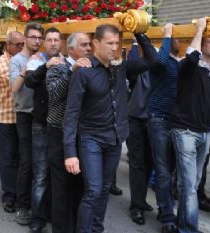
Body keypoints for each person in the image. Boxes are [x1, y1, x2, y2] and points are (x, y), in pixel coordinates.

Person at [63, 24, 157, 233]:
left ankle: (97, 229)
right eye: (110, 43)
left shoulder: (121, 66)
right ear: (96, 43)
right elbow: (71, 113)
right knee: (94, 190)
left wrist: (138, 31)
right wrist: (70, 152)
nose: (115, 47)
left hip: (115, 139)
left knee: (105, 189)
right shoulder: (83, 71)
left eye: (117, 43)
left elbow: (152, 59)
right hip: (91, 140)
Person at [170, 17, 210, 233]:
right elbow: (192, 56)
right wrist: (199, 30)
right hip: (184, 131)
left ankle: (180, 224)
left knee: (191, 184)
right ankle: (188, 229)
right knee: (189, 186)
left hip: (205, 134)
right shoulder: (189, 67)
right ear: (201, 44)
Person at [45, 32, 91, 233]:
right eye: (84, 45)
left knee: (81, 185)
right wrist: (72, 70)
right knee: (61, 186)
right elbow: (54, 94)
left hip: (84, 134)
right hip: (59, 132)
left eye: (90, 44)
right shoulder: (58, 66)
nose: (88, 48)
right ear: (71, 49)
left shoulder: (92, 67)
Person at [24, 27, 63, 233]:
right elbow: (30, 82)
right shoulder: (36, 61)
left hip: (61, 127)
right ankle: (37, 218)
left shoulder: (68, 62)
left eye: (57, 40)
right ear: (44, 43)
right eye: (49, 40)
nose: (53, 43)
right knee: (40, 173)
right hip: (41, 124)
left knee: (58, 174)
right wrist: (47, 66)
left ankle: (54, 214)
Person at [0, 31, 25, 214]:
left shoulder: (28, 60)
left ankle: (23, 193)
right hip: (5, 117)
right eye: (17, 44)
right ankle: (9, 194)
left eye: (22, 44)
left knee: (23, 158)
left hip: (25, 117)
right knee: (8, 157)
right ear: (8, 45)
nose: (21, 47)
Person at [10, 22, 45, 226]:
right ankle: (22, 205)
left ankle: (39, 204)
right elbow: (14, 88)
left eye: (39, 38)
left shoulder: (44, 58)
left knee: (42, 163)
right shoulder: (16, 60)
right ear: (25, 38)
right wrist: (26, 69)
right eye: (33, 37)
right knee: (26, 160)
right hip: (24, 114)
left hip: (43, 114)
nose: (37, 41)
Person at [147, 23, 180, 233]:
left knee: (172, 170)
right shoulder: (161, 59)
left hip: (176, 121)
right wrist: (167, 35)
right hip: (158, 119)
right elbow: (159, 61)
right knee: (162, 170)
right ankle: (167, 216)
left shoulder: (181, 62)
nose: (180, 41)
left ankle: (165, 206)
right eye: (178, 38)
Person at [126, 40, 155, 226]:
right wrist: (136, 42)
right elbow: (133, 59)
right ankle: (136, 205)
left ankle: (141, 199)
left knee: (149, 161)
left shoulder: (158, 69)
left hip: (153, 121)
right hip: (135, 120)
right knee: (137, 163)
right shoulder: (137, 68)